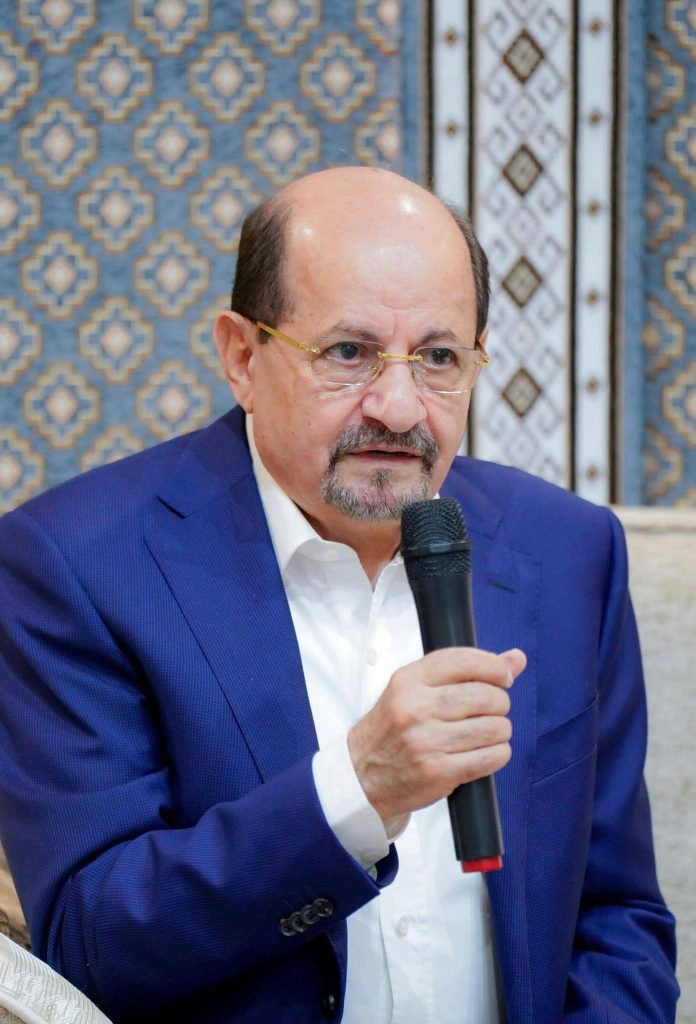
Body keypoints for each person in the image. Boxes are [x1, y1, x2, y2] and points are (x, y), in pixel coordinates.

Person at [0, 167, 677, 1024]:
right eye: (349, 353)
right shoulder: (77, 563)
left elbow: (616, 914)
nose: (398, 407)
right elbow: (91, 939)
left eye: (438, 358)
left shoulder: (569, 551)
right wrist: (357, 792)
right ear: (242, 357)